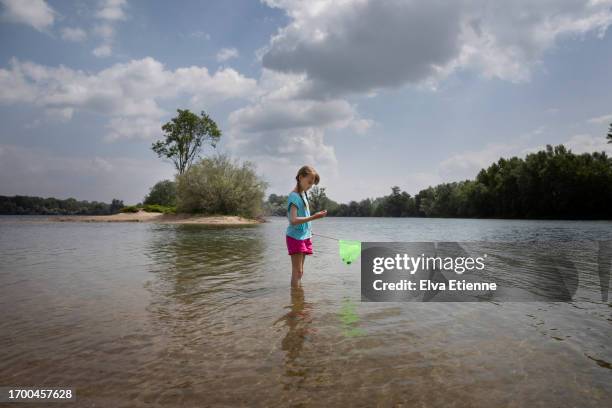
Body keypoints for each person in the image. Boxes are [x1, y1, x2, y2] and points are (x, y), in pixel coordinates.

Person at [286, 165, 327, 287]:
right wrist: (314, 217)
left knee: (301, 272)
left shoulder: (303, 194)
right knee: (297, 271)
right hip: (295, 237)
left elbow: (303, 216)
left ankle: (298, 301)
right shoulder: (294, 196)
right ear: (300, 177)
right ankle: (295, 300)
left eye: (312, 184)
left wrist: (308, 229)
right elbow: (293, 220)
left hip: (305, 236)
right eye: (309, 182)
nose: (310, 186)